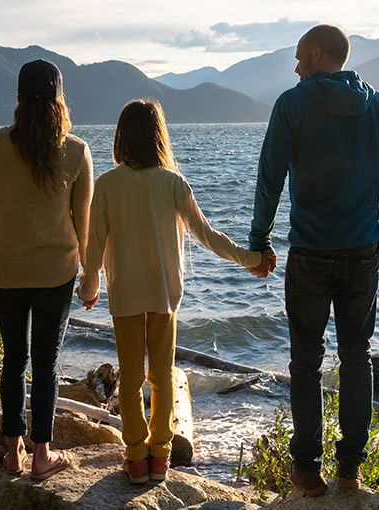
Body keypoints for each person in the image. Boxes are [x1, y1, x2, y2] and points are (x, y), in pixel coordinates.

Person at [247, 24, 379, 496]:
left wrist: (259, 238)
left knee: (306, 361)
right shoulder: (378, 106)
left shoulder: (292, 104)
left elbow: (269, 178)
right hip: (362, 253)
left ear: (318, 54)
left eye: (300, 58)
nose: (297, 68)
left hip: (311, 254)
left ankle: (306, 469)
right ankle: (351, 468)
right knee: (356, 357)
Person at [78, 99, 265, 484]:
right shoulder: (172, 182)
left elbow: (95, 245)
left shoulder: (108, 184)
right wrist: (250, 259)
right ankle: (160, 457)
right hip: (165, 294)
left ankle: (135, 458)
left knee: (130, 379)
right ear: (158, 137)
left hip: (126, 294)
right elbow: (208, 236)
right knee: (161, 376)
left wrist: (90, 286)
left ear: (121, 138)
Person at [0, 59, 93, 479]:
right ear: (59, 99)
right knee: (46, 362)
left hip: (7, 268)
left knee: (14, 359)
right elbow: (84, 225)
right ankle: (42, 455)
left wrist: (8, 251)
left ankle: (13, 453)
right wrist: (92, 275)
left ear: (19, 99)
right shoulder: (77, 150)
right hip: (56, 271)